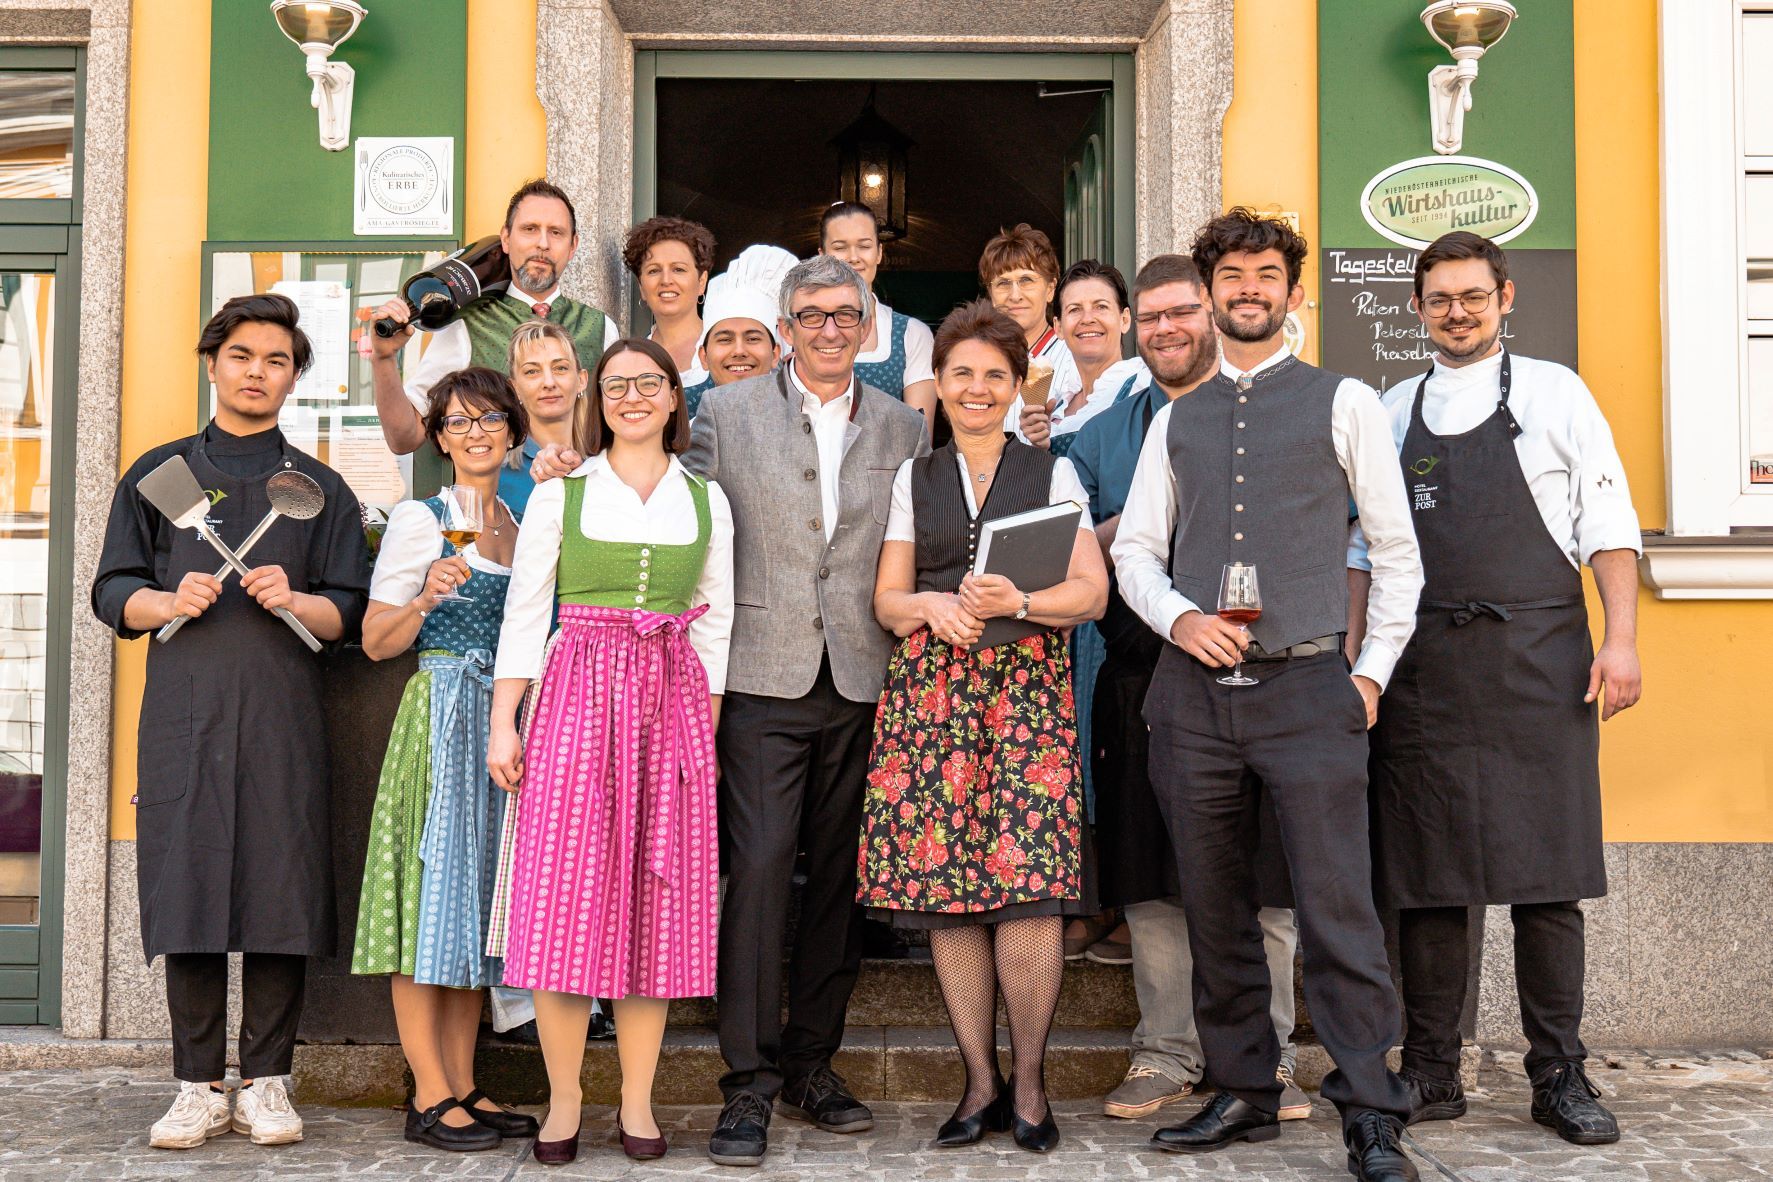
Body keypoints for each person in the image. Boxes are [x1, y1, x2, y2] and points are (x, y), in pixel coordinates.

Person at [1111, 209, 1425, 1182]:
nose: (1247, 289)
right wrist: (1177, 619)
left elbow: (1398, 552)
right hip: (1193, 701)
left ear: (1291, 292)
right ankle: (1244, 1088)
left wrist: (1368, 671)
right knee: (1213, 902)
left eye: (1264, 274)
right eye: (1231, 276)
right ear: (1208, 297)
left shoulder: (1346, 404)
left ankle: (1372, 1109)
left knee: (1336, 907)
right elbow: (1133, 552)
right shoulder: (1175, 417)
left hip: (1307, 686)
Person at [1363, 230, 1642, 1146]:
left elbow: (1606, 520)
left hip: (1538, 661)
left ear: (1504, 297)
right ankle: (1432, 1071)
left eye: (1473, 296)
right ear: (1416, 308)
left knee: (1546, 880)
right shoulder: (1392, 408)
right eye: (1439, 298)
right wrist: (1359, 665)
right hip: (1423, 671)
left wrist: (1621, 642)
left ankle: (1557, 1072)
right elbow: (1365, 549)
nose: (1457, 311)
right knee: (1429, 882)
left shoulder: (1557, 393)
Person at [90, 294, 370, 1150]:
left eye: (277, 360)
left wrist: (302, 602)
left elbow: (348, 612)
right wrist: (164, 598)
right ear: (213, 363)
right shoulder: (159, 474)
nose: (258, 372)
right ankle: (195, 1084)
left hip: (284, 711)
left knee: (280, 886)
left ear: (295, 377)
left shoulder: (318, 490)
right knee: (192, 883)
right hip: (187, 711)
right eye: (243, 355)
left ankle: (270, 1082)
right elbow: (110, 591)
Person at [686, 255, 928, 1168]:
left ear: (868, 327)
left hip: (865, 672)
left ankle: (812, 1065)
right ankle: (746, 1082)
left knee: (837, 879)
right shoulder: (725, 409)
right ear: (785, 328)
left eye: (844, 315)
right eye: (811, 315)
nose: (829, 329)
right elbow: (689, 522)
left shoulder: (905, 424)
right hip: (759, 673)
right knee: (755, 874)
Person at [862, 300, 1107, 1153]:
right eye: (961, 373)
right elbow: (886, 598)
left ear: (1015, 386)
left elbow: (1092, 593)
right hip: (931, 701)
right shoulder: (913, 476)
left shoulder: (1053, 471)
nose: (974, 388)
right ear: (945, 383)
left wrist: (1025, 601)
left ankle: (1032, 1084)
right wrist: (927, 602)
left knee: (1029, 895)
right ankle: (979, 1080)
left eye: (992, 376)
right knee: (949, 897)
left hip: (1026, 700)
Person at [1070, 255, 1308, 1125]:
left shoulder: (1289, 407)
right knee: (1154, 877)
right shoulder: (1103, 431)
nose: (1166, 329)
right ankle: (1165, 1051)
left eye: (1182, 313)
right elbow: (1066, 548)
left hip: (1271, 666)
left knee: (1268, 879)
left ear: (1211, 313)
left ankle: (1268, 1057)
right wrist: (1137, 522)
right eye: (1152, 317)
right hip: (1142, 675)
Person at [485, 339, 733, 1165]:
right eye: (618, 384)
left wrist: (706, 729)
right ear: (603, 397)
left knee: (651, 911)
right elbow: (525, 612)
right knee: (564, 901)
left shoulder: (706, 499)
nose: (632, 397)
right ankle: (563, 1101)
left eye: (648, 384)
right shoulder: (564, 493)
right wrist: (503, 722)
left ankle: (636, 1100)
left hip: (669, 704)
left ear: (672, 398)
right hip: (576, 697)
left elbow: (717, 620)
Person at [350, 367, 537, 1153]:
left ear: (513, 433)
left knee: (474, 912)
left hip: (502, 721)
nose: (475, 432)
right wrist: (425, 595)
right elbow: (374, 639)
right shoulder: (422, 520)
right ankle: (427, 1092)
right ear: (439, 438)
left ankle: (463, 1083)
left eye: (490, 418)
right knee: (429, 902)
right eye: (458, 422)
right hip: (441, 716)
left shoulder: (520, 521)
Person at [370, 179, 619, 466]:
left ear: (573, 245)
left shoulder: (601, 328)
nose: (542, 243)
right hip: (495, 504)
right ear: (505, 239)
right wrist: (384, 358)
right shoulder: (466, 326)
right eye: (529, 229)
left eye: (556, 232)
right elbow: (405, 439)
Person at [1015, 259, 1149, 458]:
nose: (1087, 319)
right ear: (1058, 327)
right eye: (1074, 309)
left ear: (1125, 319)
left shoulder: (1144, 386)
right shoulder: (1058, 405)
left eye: (1101, 307)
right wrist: (1040, 447)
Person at [819, 201, 937, 423]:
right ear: (822, 255)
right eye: (840, 247)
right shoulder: (796, 333)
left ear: (879, 253)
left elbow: (919, 437)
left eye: (864, 246)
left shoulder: (911, 334)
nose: (853, 257)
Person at [683, 244, 796, 417]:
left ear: (775, 354)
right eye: (725, 340)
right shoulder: (688, 435)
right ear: (703, 356)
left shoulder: (804, 429)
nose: (739, 351)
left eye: (752, 339)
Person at [623, 215, 717, 381]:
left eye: (678, 269)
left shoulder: (726, 350)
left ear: (701, 282)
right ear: (641, 288)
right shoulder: (629, 360)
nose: (666, 280)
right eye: (654, 271)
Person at [979, 223, 1069, 370]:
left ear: (1050, 289)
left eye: (1026, 280)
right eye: (1003, 283)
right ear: (990, 293)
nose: (1015, 296)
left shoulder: (1071, 356)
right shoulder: (979, 355)